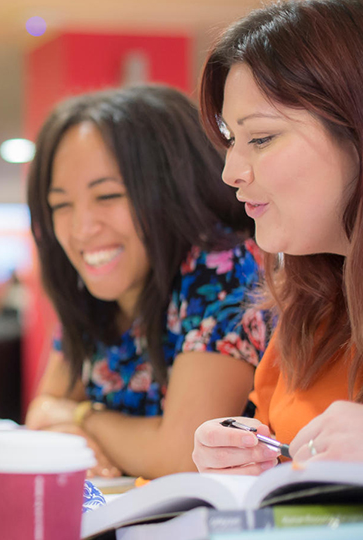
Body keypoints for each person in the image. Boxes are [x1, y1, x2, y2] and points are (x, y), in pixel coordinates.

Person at [24, 86, 270, 479]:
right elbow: (42, 409)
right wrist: (63, 418)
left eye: (107, 196)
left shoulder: (222, 266)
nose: (82, 229)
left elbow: (180, 455)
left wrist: (81, 416)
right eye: (61, 205)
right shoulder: (94, 290)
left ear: (173, 189)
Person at [190, 0, 363, 475]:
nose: (230, 172)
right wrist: (244, 462)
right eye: (230, 141)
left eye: (261, 139)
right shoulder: (308, 311)